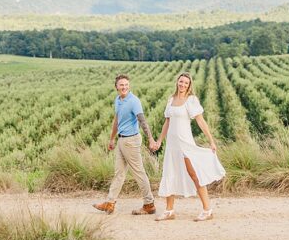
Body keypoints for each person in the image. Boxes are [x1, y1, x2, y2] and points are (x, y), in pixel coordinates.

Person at [153, 73, 225, 221]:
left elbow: (201, 121)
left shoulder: (191, 100)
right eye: (181, 82)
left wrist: (211, 140)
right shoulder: (171, 100)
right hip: (172, 145)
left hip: (185, 143)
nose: (183, 85)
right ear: (177, 82)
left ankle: (207, 210)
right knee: (169, 172)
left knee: (194, 174)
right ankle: (169, 211)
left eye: (186, 83)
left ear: (189, 85)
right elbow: (167, 122)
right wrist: (160, 140)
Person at [93, 74, 157, 215]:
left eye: (126, 85)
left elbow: (142, 121)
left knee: (138, 172)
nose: (124, 87)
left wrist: (151, 139)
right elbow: (117, 121)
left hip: (131, 141)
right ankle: (110, 203)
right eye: (121, 85)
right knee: (119, 173)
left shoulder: (134, 101)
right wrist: (112, 139)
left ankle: (149, 204)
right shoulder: (118, 100)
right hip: (122, 140)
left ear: (129, 86)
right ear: (116, 87)